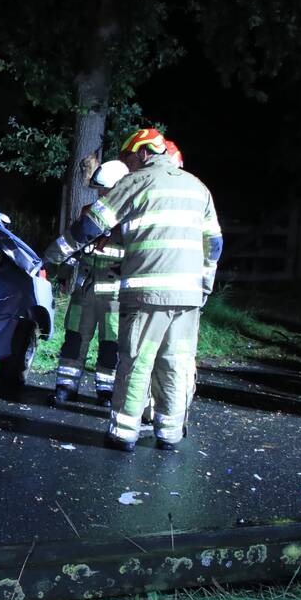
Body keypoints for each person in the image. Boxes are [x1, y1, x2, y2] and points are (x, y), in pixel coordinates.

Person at [46, 127, 223, 451]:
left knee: (137, 361)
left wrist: (52, 256)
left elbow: (91, 225)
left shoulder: (136, 182)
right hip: (188, 296)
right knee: (175, 363)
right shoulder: (197, 187)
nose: (127, 167)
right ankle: (169, 434)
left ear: (142, 152)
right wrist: (204, 288)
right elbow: (214, 244)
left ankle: (123, 433)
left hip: (146, 295)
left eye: (128, 159)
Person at [50, 159, 128, 407]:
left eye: (105, 190)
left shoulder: (129, 221)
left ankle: (106, 391)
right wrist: (64, 272)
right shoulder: (88, 213)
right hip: (83, 291)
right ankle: (66, 386)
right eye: (99, 190)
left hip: (115, 296)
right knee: (74, 338)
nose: (101, 195)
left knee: (111, 345)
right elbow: (74, 248)